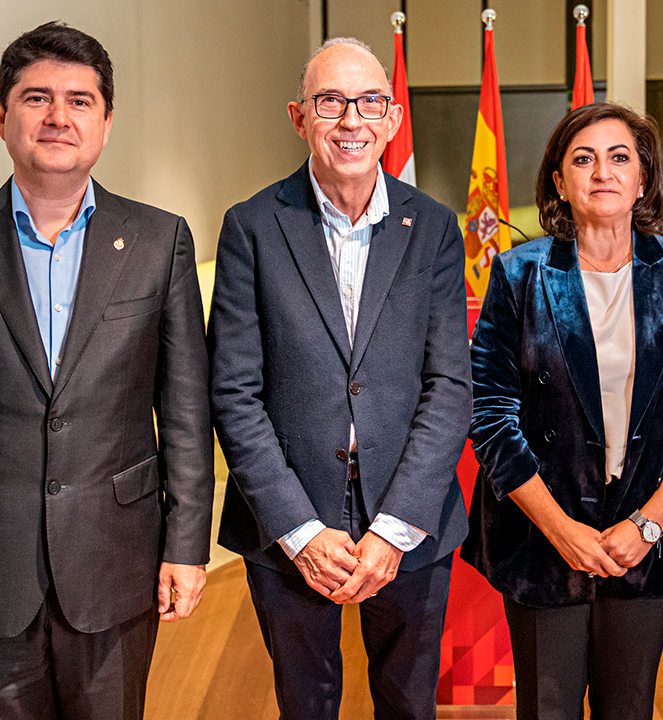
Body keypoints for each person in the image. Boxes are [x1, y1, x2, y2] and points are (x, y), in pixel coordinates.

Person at [0, 21, 214, 718]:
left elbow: (184, 411)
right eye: (36, 98)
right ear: (2, 116)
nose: (59, 117)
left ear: (107, 122)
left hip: (117, 570)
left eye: (80, 101)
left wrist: (187, 545)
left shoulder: (159, 241)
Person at [208, 37, 471, 720]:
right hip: (292, 522)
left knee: (409, 705)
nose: (352, 120)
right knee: (307, 703)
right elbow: (234, 392)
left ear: (391, 118)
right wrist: (298, 528)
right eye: (331, 102)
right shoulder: (252, 228)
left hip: (410, 522)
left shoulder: (435, 227)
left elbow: (450, 385)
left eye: (369, 102)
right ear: (300, 118)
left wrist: (394, 528)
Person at [462, 102, 663, 720]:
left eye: (620, 158)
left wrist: (647, 524)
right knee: (549, 708)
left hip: (649, 536)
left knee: (629, 708)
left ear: (643, 177)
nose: (603, 172)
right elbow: (489, 416)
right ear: (559, 182)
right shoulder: (518, 274)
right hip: (544, 540)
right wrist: (562, 531)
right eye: (582, 159)